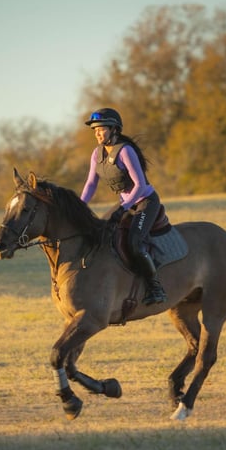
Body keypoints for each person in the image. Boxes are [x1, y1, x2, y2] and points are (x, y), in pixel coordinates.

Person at [80, 107, 167, 305]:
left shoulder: (125, 151)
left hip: (145, 201)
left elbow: (140, 185)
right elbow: (91, 184)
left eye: (101, 129)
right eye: (95, 130)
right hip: (126, 204)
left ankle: (155, 287)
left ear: (114, 130)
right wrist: (79, 206)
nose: (97, 134)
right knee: (101, 235)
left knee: (134, 241)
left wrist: (124, 206)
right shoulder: (96, 154)